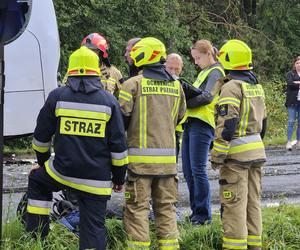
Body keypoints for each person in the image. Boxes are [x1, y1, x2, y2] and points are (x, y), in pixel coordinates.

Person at [26, 46, 128, 250]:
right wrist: (118, 178)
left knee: (37, 182)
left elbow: (40, 139)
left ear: (70, 70)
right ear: (96, 71)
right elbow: (118, 147)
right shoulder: (109, 101)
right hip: (96, 180)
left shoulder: (57, 96)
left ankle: (37, 240)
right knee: (94, 227)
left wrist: (42, 164)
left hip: (62, 171)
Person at [119, 37, 186, 250]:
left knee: (137, 209)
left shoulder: (132, 84)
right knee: (166, 210)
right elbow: (180, 117)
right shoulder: (176, 85)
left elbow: (121, 121)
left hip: (140, 164)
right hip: (168, 164)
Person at [211, 39, 267, 250]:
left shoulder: (231, 87)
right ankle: (254, 246)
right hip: (256, 153)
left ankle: (234, 247)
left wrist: (218, 155)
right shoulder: (255, 86)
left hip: (236, 157)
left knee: (234, 206)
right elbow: (265, 123)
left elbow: (228, 124)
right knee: (253, 204)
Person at [181, 39, 225, 225]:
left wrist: (184, 103)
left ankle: (203, 215)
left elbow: (207, 97)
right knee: (189, 171)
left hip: (203, 123)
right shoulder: (205, 71)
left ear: (209, 54)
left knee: (197, 170)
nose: (196, 62)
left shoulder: (216, 71)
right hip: (191, 122)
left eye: (198, 58)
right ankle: (195, 213)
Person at [165, 53, 184, 161]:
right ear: (164, 66)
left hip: (175, 131)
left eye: (177, 69)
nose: (173, 72)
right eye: (170, 68)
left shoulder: (181, 84)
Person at [285, 56, 300, 150]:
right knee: (291, 121)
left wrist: (297, 82)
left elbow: (294, 84)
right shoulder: (290, 74)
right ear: (294, 64)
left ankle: (299, 142)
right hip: (292, 102)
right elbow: (290, 84)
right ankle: (289, 142)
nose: (299, 65)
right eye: (297, 63)